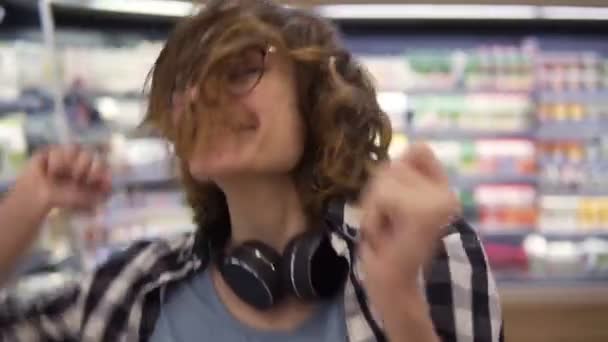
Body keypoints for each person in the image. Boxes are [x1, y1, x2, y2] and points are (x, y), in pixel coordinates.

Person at [0, 1, 502, 341]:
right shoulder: (133, 284)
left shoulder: (427, 254)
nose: (198, 99)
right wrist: (28, 202)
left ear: (317, 97)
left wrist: (398, 297)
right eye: (183, 87)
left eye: (240, 70)